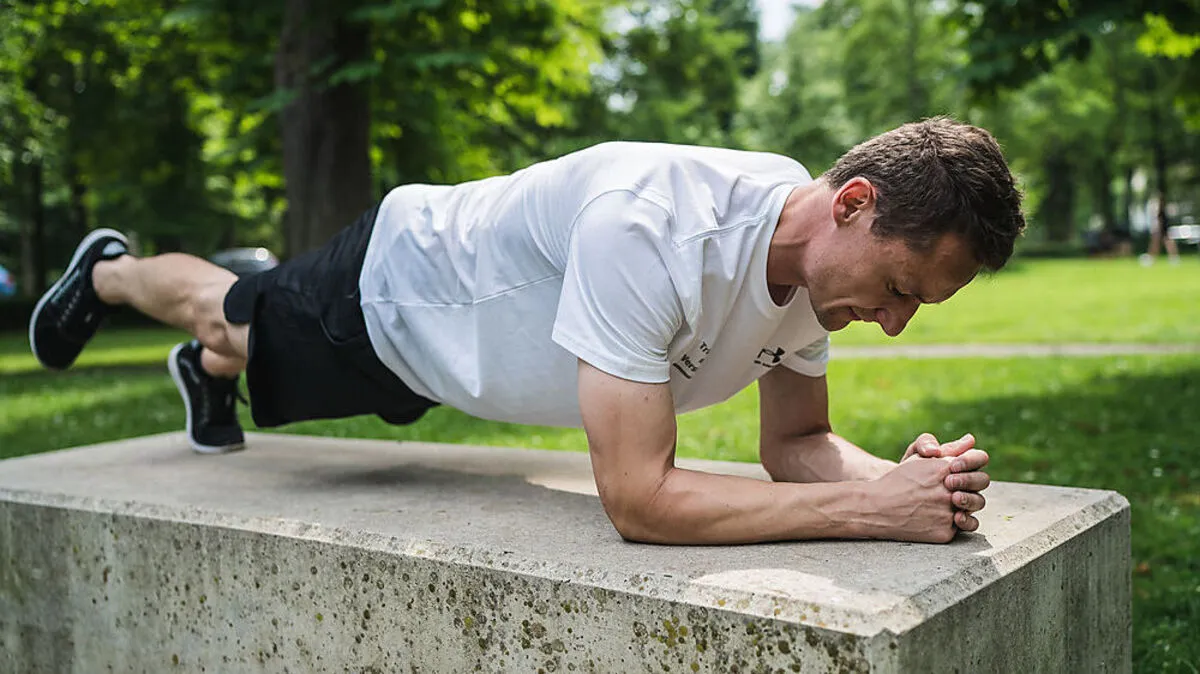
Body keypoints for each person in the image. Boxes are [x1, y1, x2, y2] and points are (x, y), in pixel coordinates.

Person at [29, 117, 1025, 546]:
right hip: (400, 290)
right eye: (899, 288)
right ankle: (110, 270)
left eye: (916, 306)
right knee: (232, 313)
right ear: (852, 203)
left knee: (244, 337)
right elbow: (639, 500)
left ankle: (214, 359)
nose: (894, 324)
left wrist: (905, 482)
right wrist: (866, 513)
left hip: (469, 362)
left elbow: (796, 442)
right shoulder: (651, 228)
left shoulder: (816, 269)